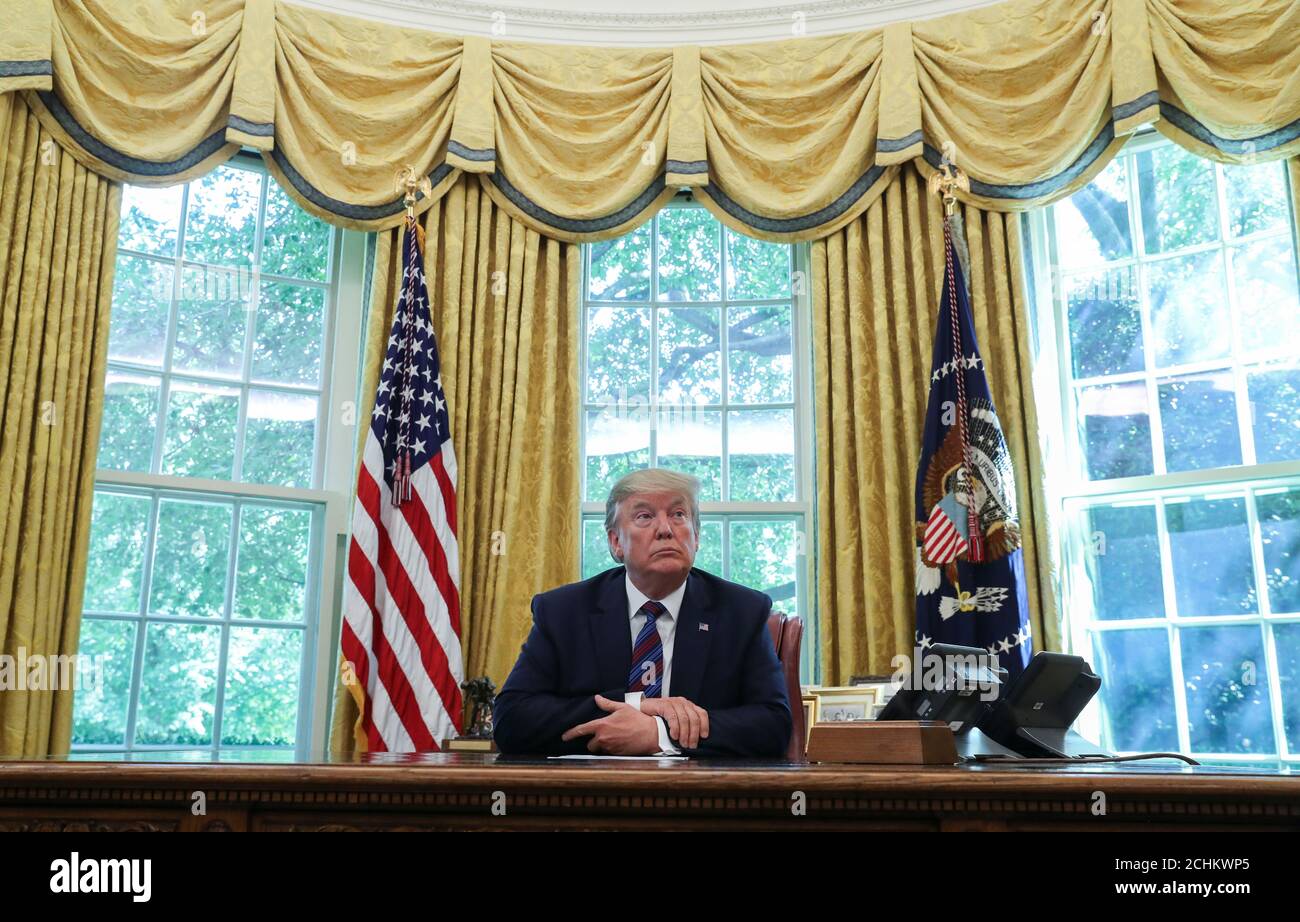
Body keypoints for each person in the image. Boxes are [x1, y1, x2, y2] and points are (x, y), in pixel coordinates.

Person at [493, 468, 792, 757]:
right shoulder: (563, 612)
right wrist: (638, 706)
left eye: (678, 514)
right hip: (589, 795)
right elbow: (511, 719)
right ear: (615, 542)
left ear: (696, 536)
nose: (665, 529)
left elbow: (773, 725)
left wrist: (658, 734)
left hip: (701, 797)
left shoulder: (742, 612)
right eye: (644, 516)